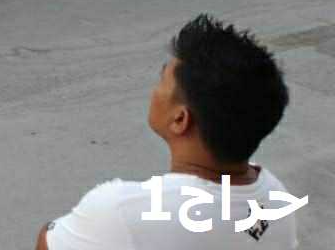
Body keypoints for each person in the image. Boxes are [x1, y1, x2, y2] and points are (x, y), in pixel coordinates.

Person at [37, 14, 297, 249]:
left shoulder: (122, 212)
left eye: (162, 80)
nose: (154, 91)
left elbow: (47, 243)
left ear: (180, 119)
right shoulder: (275, 198)